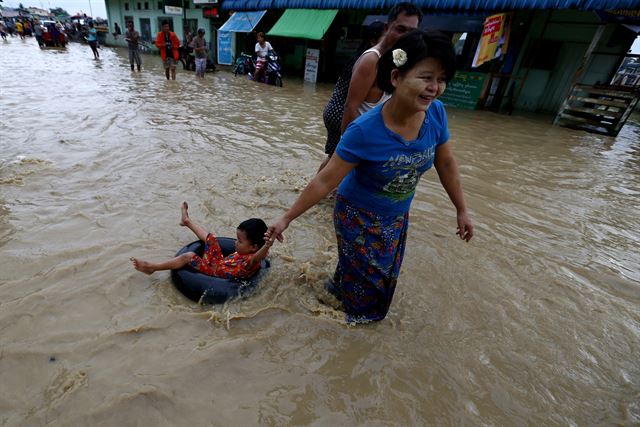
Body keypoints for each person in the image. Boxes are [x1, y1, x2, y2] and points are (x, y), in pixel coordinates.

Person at [266, 30, 474, 324]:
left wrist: (462, 209)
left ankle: (333, 293)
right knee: (367, 303)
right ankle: (348, 337)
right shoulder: (364, 131)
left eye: (441, 80)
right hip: (358, 218)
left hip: (397, 217)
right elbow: (326, 180)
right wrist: (286, 218)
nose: (434, 88)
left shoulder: (436, 114)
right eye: (426, 77)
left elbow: (447, 163)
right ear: (396, 78)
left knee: (376, 277)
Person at [131, 202, 272, 279]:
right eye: (236, 239)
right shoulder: (244, 251)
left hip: (215, 272)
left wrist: (266, 245)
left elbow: (260, 256)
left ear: (254, 247)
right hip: (220, 263)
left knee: (189, 256)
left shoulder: (251, 260)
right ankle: (187, 221)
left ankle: (153, 267)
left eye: (240, 241)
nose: (235, 243)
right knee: (211, 239)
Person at [341, 3, 422, 135]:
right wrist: (348, 147)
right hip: (362, 137)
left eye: (412, 32)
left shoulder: (399, 58)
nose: (405, 36)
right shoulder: (372, 60)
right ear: (387, 27)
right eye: (400, 29)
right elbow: (350, 107)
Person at [318, 21, 385, 173]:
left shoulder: (359, 57)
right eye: (386, 37)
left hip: (334, 110)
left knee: (335, 156)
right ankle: (319, 189)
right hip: (342, 113)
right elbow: (353, 104)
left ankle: (324, 189)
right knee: (337, 158)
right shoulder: (370, 61)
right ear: (373, 41)